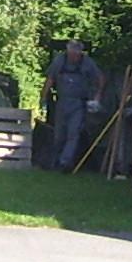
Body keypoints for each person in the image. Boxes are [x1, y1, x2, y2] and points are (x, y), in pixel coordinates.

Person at [43, 39, 106, 172]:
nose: (74, 57)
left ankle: (65, 163)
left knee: (74, 133)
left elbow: (100, 78)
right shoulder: (60, 61)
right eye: (71, 54)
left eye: (76, 55)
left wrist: (97, 96)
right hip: (61, 102)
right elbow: (50, 79)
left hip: (78, 103)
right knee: (59, 134)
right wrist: (43, 96)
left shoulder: (87, 63)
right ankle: (54, 161)